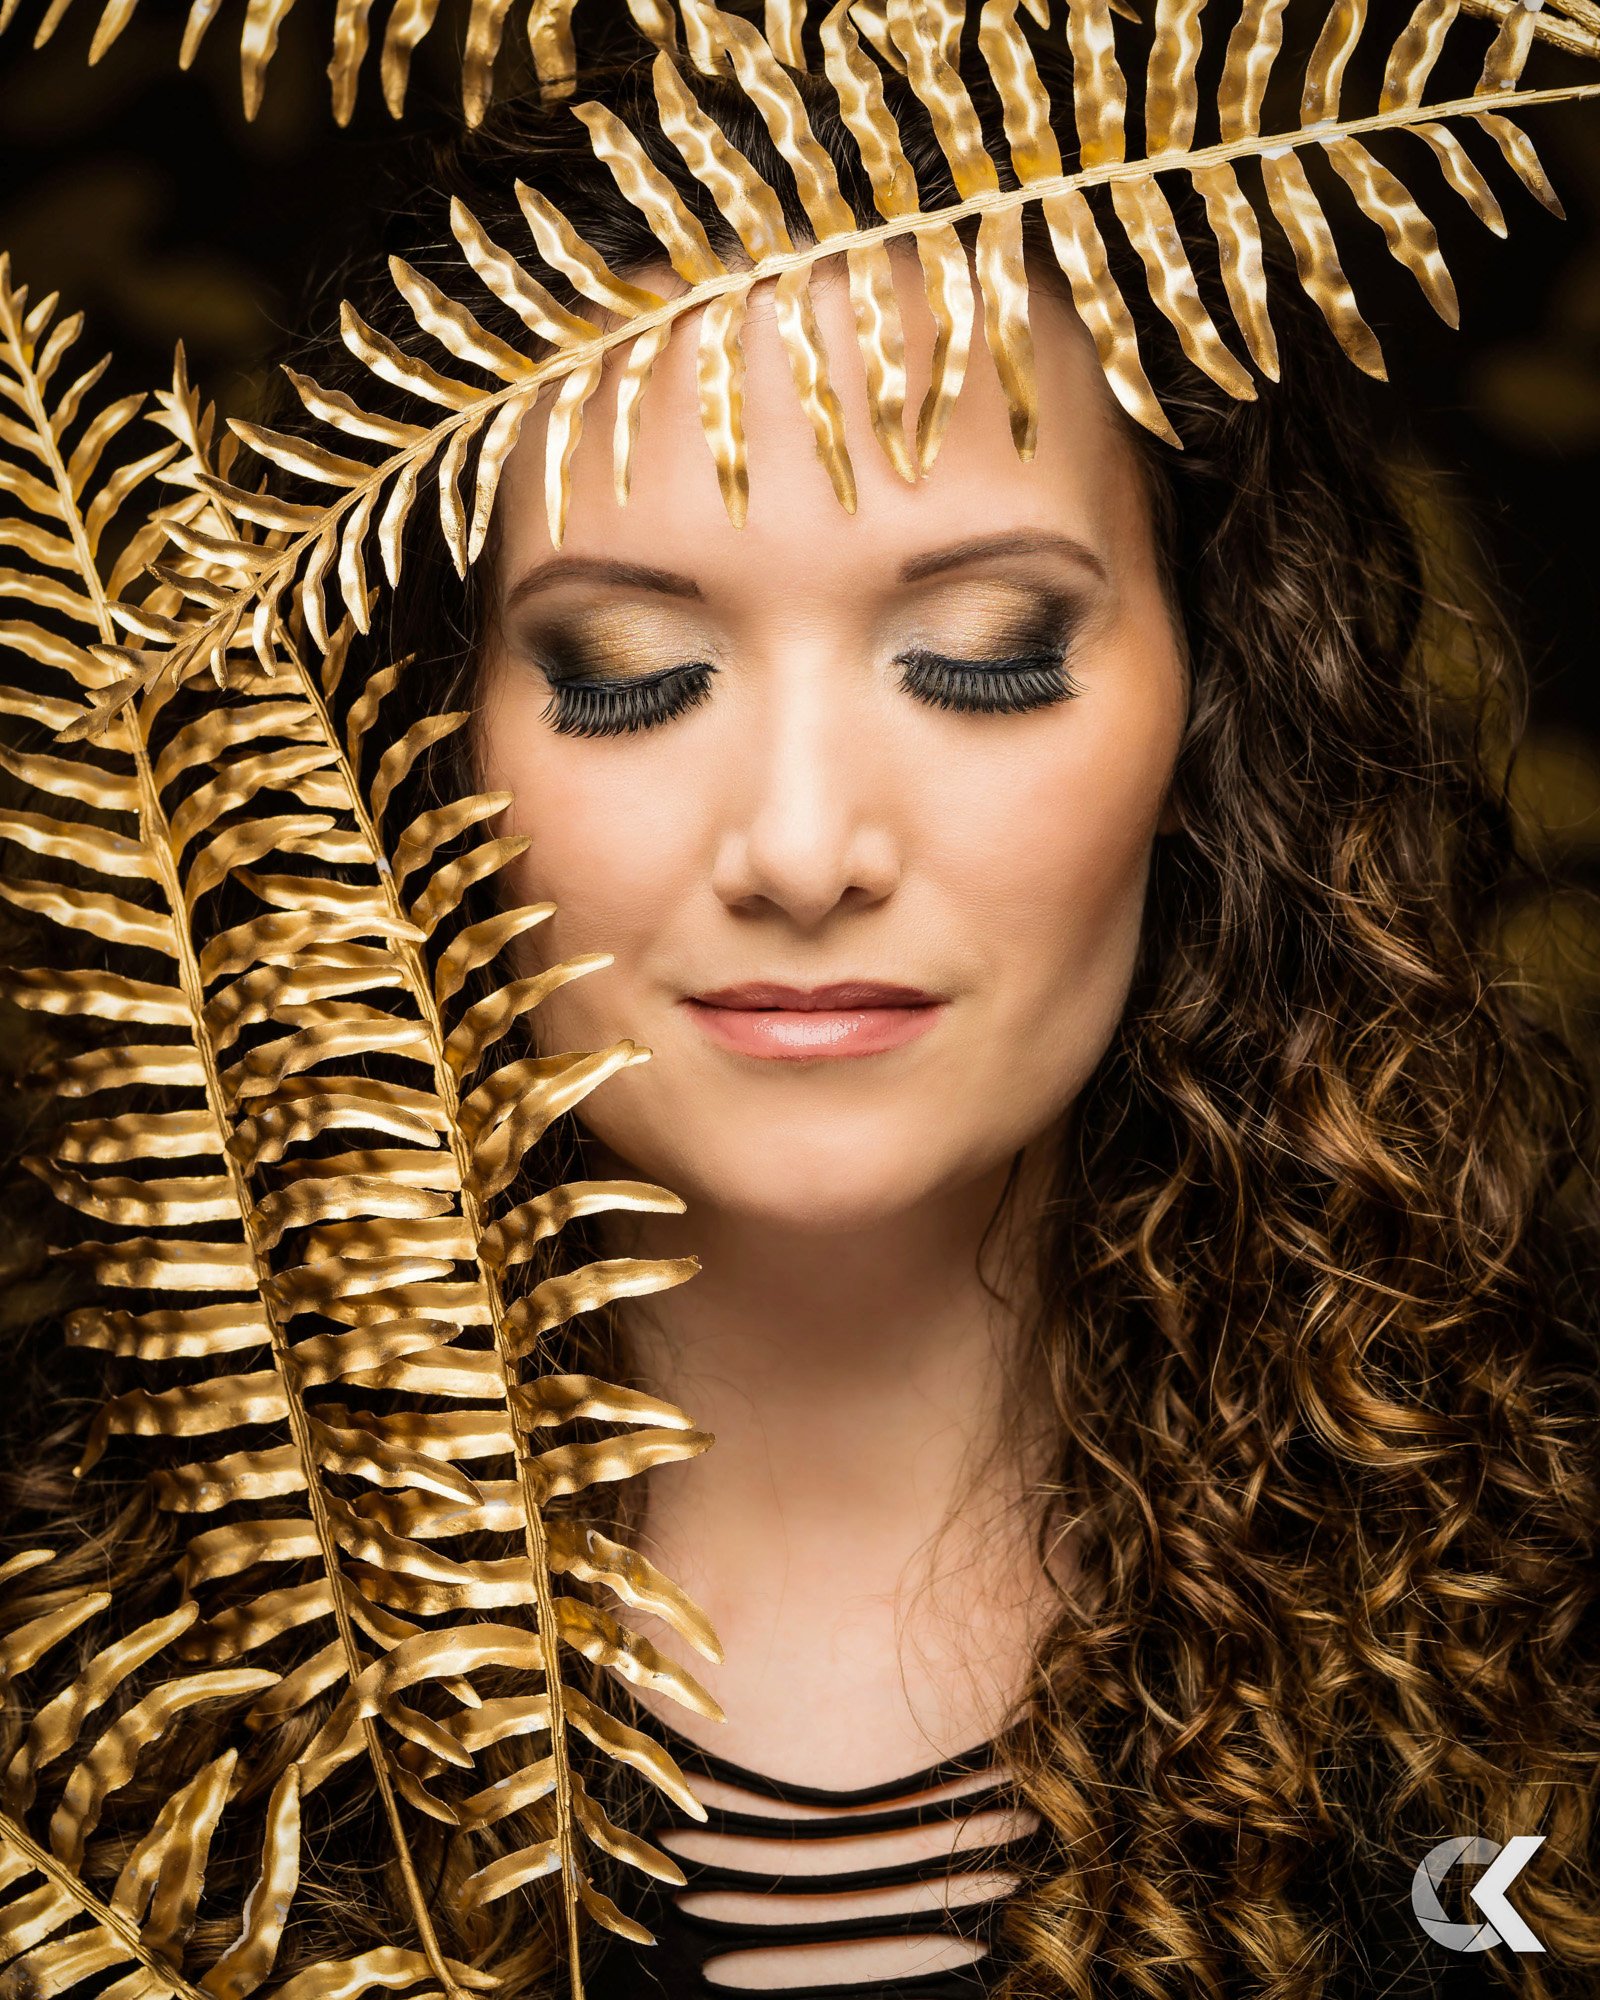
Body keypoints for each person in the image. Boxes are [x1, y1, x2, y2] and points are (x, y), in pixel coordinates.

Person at [3, 6, 1597, 1999]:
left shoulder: (1548, 1629)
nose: (802, 841)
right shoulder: (74, 1691)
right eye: (626, 673)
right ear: (418, 744)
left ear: (1213, 705)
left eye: (984, 651)